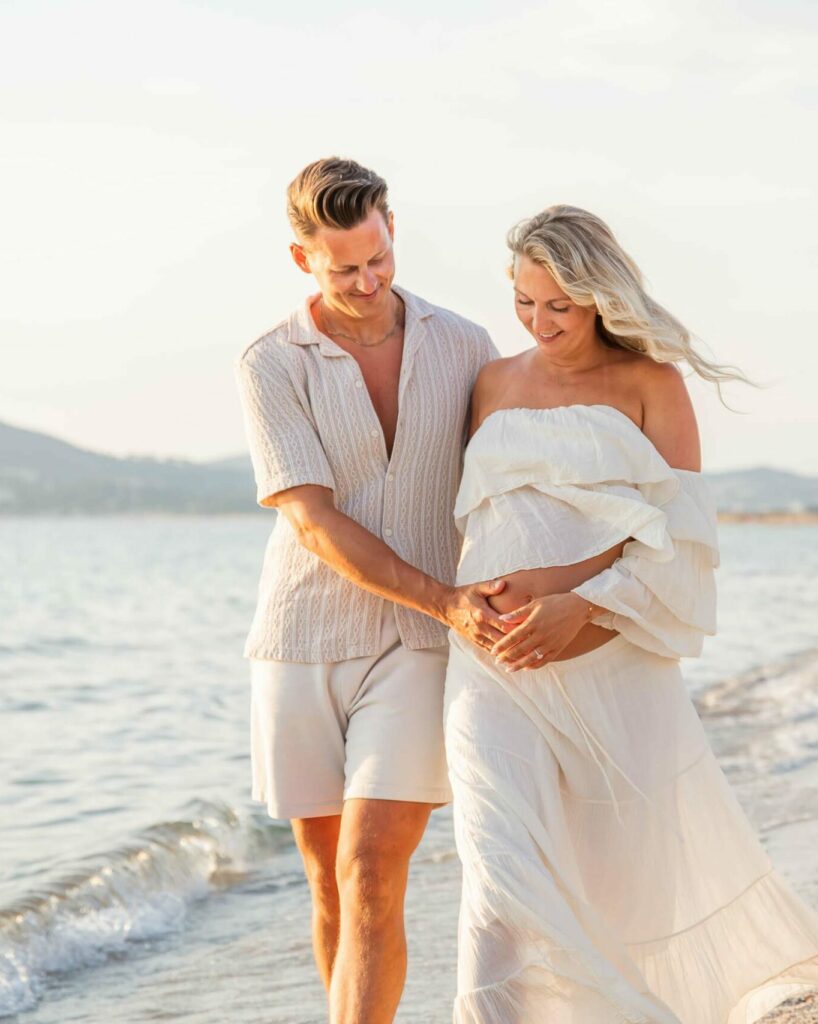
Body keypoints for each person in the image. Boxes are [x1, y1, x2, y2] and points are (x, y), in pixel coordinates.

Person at [443, 205, 818, 1021]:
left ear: (600, 296)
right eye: (523, 301)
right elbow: (479, 517)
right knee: (496, 872)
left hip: (613, 667)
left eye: (560, 305)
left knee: (624, 890)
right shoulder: (492, 382)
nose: (539, 322)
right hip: (491, 670)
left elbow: (683, 542)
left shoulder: (652, 385)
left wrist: (579, 605)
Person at [235, 157, 507, 1023]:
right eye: (344, 267)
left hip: (421, 641)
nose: (367, 281)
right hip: (302, 639)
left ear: (394, 231)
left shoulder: (465, 345)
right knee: (328, 882)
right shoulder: (271, 362)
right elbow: (311, 520)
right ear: (301, 259)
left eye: (379, 257)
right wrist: (445, 597)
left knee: (372, 870)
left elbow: (511, 477)